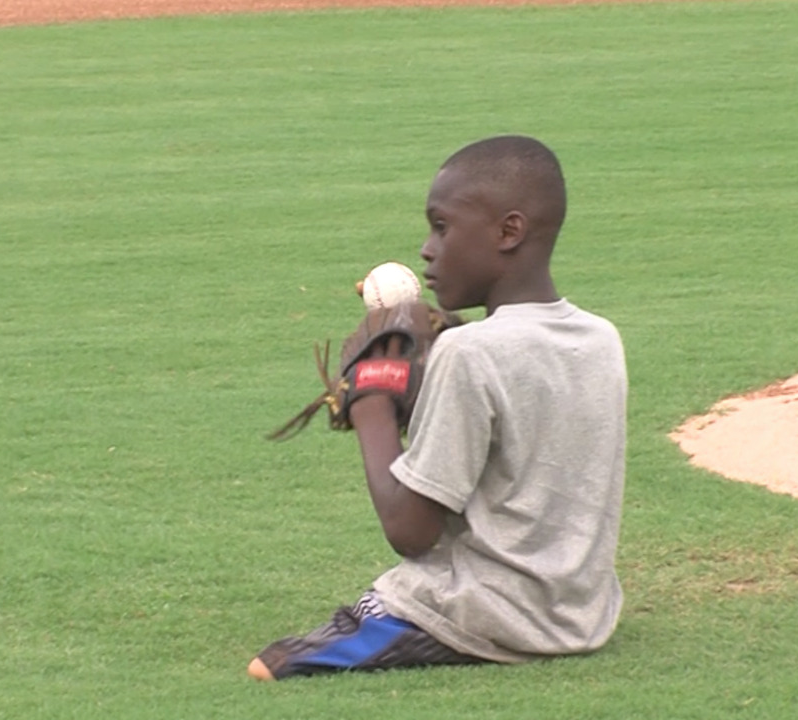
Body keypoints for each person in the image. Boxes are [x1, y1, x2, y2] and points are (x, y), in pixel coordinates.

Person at [247, 135, 628, 679]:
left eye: (442, 226)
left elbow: (410, 530)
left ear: (508, 231)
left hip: (483, 612)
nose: (427, 248)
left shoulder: (470, 351)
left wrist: (370, 396)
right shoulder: (599, 338)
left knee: (271, 665)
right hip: (578, 614)